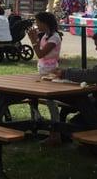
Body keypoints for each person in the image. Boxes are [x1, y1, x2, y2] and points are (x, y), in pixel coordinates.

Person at [27, 11, 63, 146]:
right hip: (42, 71)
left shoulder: (54, 38)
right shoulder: (46, 36)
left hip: (51, 73)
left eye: (38, 22)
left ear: (44, 23)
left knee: (51, 102)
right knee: (32, 97)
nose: (36, 25)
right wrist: (36, 39)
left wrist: (33, 41)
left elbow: (40, 54)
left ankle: (55, 134)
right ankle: (36, 123)